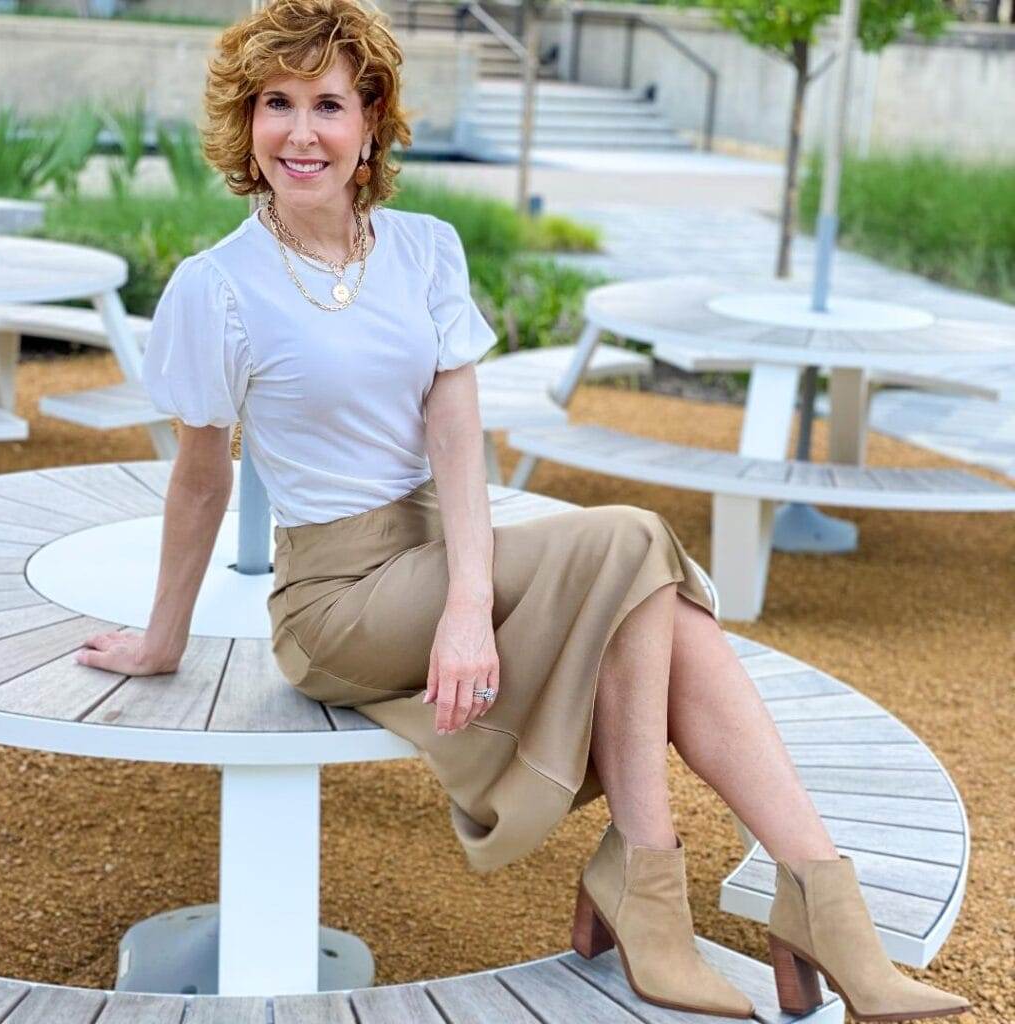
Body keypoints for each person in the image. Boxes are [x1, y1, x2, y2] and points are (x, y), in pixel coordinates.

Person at [75, 0, 970, 1019]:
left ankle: (802, 892)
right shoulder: (217, 286)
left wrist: (467, 598)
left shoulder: (423, 249)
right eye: (276, 103)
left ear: (371, 120)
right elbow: (202, 475)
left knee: (663, 613)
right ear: (245, 123)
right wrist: (162, 635)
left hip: (439, 558)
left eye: (328, 103)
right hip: (334, 603)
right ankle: (679, 888)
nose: (300, 132)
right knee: (635, 539)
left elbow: (458, 432)